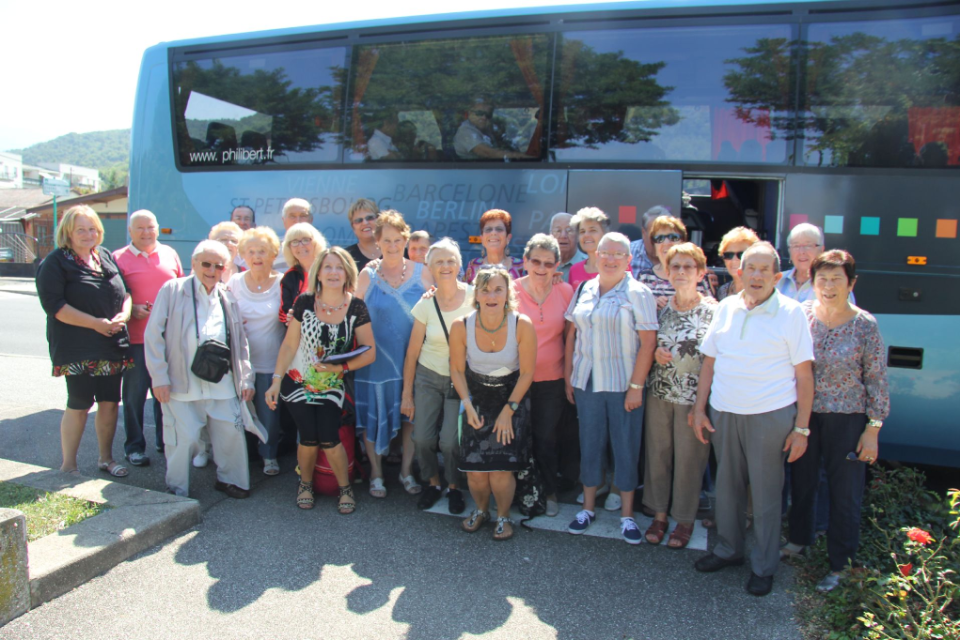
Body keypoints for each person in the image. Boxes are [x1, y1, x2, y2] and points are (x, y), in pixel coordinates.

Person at [690, 241, 814, 597]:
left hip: (769, 416)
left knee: (765, 495)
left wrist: (801, 427)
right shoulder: (727, 307)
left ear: (777, 276)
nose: (756, 275)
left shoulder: (791, 313)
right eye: (750, 268)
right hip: (725, 412)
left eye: (764, 270)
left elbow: (804, 375)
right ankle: (728, 550)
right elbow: (709, 362)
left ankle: (763, 565)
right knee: (725, 489)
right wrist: (700, 409)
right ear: (739, 273)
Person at [783, 250, 889, 593]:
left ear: (851, 283)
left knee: (846, 494)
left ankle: (841, 564)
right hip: (805, 415)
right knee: (802, 480)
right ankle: (799, 539)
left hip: (848, 419)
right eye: (822, 279)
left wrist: (872, 429)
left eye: (836, 279)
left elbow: (876, 379)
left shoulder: (864, 325)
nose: (828, 286)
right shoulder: (800, 316)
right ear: (813, 283)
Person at [144, 240, 258, 499]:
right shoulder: (173, 289)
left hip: (222, 381)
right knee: (181, 438)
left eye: (218, 266)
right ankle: (177, 488)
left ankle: (231, 480)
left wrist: (246, 378)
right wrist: (159, 378)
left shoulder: (226, 295)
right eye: (206, 264)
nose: (211, 270)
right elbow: (153, 336)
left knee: (231, 432)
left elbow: (240, 341)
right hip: (180, 382)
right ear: (193, 263)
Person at [265, 247, 376, 513]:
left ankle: (345, 488)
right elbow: (290, 345)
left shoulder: (356, 306)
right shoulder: (305, 301)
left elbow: (369, 351)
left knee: (329, 437)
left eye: (339, 267)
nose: (333, 272)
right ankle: (305, 484)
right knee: (308, 437)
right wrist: (276, 380)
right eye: (328, 267)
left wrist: (341, 369)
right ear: (319, 273)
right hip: (297, 380)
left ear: (347, 272)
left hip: (331, 383)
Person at [564, 232, 657, 544]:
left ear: (628, 260)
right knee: (589, 444)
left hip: (622, 384)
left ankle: (627, 515)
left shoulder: (638, 293)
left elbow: (648, 344)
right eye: (606, 252)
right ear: (596, 255)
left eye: (619, 254)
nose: (611, 258)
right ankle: (587, 508)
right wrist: (568, 376)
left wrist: (636, 387)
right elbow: (572, 336)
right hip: (587, 381)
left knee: (625, 447)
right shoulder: (584, 288)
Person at [36, 205, 133, 478]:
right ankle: (69, 465)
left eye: (92, 229)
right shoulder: (55, 262)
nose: (88, 234)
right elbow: (55, 306)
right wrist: (96, 324)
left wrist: (123, 316)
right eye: (81, 229)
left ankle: (106, 459)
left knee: (110, 403)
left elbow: (126, 292)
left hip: (112, 344)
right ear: (68, 232)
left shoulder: (104, 256)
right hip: (77, 347)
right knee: (79, 403)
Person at [450, 267, 537, 541]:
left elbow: (527, 373)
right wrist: (467, 403)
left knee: (499, 472)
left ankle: (503, 516)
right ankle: (481, 510)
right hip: (475, 399)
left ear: (508, 293)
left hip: (511, 400)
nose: (491, 295)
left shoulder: (522, 324)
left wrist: (508, 411)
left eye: (498, 289)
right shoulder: (460, 325)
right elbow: (456, 370)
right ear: (476, 294)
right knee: (476, 474)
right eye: (485, 289)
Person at [642, 243, 717, 549]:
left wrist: (701, 406)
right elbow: (647, 345)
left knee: (689, 461)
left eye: (688, 267)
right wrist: (656, 353)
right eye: (676, 267)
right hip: (660, 393)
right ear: (669, 272)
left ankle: (684, 520)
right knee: (657, 457)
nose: (682, 272)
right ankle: (659, 515)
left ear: (700, 273)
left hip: (694, 399)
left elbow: (715, 358)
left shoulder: (714, 311)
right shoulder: (662, 307)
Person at [354, 211, 433, 499]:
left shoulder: (422, 271)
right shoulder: (367, 274)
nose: (392, 245)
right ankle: (376, 474)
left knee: (410, 417)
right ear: (378, 241)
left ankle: (405, 471)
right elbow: (353, 314)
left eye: (397, 239)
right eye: (386, 240)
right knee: (373, 415)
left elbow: (437, 310)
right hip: (374, 362)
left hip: (412, 360)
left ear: (405, 239)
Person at [402, 238, 473, 513]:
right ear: (429, 267)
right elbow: (412, 353)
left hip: (460, 380)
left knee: (449, 441)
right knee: (421, 438)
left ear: (459, 265)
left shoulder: (474, 296)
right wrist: (407, 394)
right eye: (439, 261)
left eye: (450, 260)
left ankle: (454, 486)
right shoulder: (425, 304)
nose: (445, 266)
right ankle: (433, 483)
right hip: (428, 376)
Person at [113, 210, 184, 465]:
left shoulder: (170, 254)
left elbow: (180, 290)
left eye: (150, 227)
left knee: (165, 394)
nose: (146, 232)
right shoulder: (118, 258)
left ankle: (165, 442)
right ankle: (134, 447)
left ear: (157, 228)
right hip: (135, 341)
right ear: (130, 232)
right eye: (140, 228)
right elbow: (112, 297)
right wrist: (131, 311)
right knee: (133, 396)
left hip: (168, 340)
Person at [514, 234, 574, 517]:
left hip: (552, 379)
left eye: (548, 263)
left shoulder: (566, 292)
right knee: (517, 437)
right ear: (525, 261)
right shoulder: (510, 292)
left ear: (556, 266)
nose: (541, 267)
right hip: (515, 379)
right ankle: (521, 492)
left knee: (546, 438)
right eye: (535, 261)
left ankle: (549, 492)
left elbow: (571, 337)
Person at [226, 226, 285, 476]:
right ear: (242, 255)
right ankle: (238, 457)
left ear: (273, 254)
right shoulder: (234, 282)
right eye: (250, 251)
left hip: (273, 361)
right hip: (240, 362)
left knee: (268, 414)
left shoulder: (283, 283)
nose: (256, 256)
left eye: (262, 251)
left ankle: (269, 456)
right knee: (236, 413)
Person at [635, 215, 714, 307]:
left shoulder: (698, 274)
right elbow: (637, 309)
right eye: (659, 238)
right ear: (654, 246)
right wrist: (651, 304)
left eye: (673, 237)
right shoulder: (644, 277)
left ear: (682, 242)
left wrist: (707, 301)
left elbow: (709, 305)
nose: (666, 242)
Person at [279, 223, 327, 325]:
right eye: (295, 242)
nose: (300, 245)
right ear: (289, 248)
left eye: (306, 240)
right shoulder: (289, 277)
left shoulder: (329, 269)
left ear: (315, 243)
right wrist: (289, 317)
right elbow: (284, 314)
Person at [454, 98, 530, 160]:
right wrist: (522, 157)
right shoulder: (466, 131)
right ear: (469, 113)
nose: (484, 117)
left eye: (488, 115)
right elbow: (487, 153)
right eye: (479, 113)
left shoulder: (484, 129)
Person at [463, 209, 524, 284]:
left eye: (499, 229)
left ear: (508, 237)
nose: (493, 232)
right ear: (482, 238)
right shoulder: (473, 265)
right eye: (488, 229)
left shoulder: (521, 266)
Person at [567, 207, 617, 290]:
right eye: (582, 231)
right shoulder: (574, 270)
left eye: (592, 230)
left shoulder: (618, 265)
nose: (586, 235)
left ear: (604, 234)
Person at [777, 222, 824, 303]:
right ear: (789, 251)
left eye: (808, 245)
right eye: (796, 246)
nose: (802, 252)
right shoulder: (777, 281)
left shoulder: (831, 284)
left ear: (821, 250)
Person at [715, 226, 760, 300]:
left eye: (741, 254)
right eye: (729, 255)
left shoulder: (761, 291)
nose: (734, 260)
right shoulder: (722, 291)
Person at [274, 198, 314, 272]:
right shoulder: (273, 247)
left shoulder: (321, 246)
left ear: (311, 220)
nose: (298, 220)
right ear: (284, 220)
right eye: (292, 216)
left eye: (303, 216)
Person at [629, 205, 669, 276]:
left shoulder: (680, 256)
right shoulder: (628, 252)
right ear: (644, 233)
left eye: (666, 236)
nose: (661, 242)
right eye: (655, 235)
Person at [345, 198, 382, 271]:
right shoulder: (346, 257)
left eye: (369, 218)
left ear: (378, 220)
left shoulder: (395, 250)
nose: (365, 223)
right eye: (358, 220)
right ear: (353, 227)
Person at [550, 212, 586, 282]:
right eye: (558, 230)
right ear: (551, 235)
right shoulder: (541, 265)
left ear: (578, 235)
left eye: (569, 230)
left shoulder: (589, 265)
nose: (563, 236)